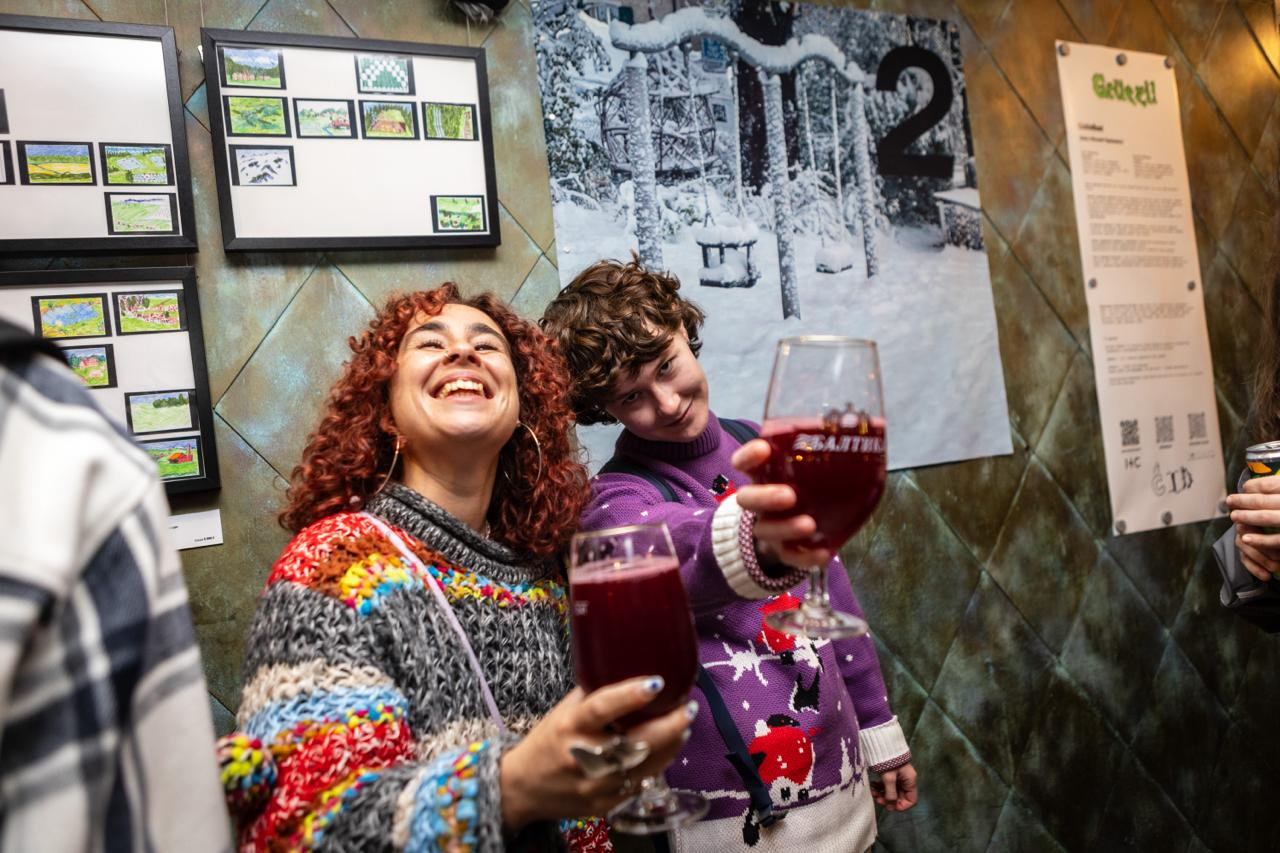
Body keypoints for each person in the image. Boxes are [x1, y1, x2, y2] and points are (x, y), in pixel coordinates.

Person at [217, 284, 691, 851]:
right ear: (384, 408)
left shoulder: (550, 569)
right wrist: (508, 790)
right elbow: (302, 831)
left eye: (486, 346)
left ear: (523, 407)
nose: (463, 352)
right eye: (430, 343)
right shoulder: (333, 566)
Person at [541, 259, 918, 851]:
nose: (667, 402)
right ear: (604, 409)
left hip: (845, 788)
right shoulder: (615, 500)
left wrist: (878, 728)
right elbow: (672, 544)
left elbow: (833, 595)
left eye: (668, 365)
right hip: (738, 822)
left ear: (683, 331)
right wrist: (753, 534)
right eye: (632, 396)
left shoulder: (758, 444)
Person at [0, 318, 229, 851]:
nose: (463, 354)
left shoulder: (53, 427)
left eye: (472, 341)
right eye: (421, 342)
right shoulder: (51, 428)